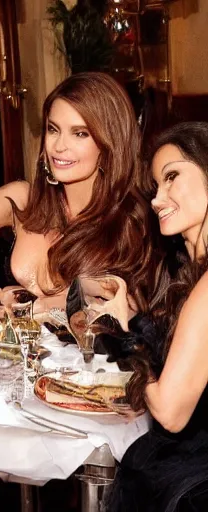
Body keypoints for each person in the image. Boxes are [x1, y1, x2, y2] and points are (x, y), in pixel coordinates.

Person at [0, 72, 155, 318]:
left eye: (80, 133)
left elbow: (129, 308)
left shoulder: (129, 217)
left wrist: (27, 304)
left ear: (110, 142)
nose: (59, 146)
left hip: (86, 353)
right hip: (19, 348)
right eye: (53, 129)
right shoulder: (25, 200)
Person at [99, 122, 208, 511]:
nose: (158, 199)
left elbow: (170, 409)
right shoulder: (190, 274)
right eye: (155, 187)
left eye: (173, 177)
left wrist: (123, 336)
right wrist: (130, 317)